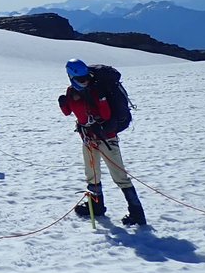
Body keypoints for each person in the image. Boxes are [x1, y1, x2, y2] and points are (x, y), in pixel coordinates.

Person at [58, 58, 147, 226]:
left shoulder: (96, 90)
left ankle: (137, 213)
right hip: (88, 139)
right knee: (92, 174)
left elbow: (106, 116)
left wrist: (102, 100)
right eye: (80, 80)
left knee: (120, 176)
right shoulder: (71, 92)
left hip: (106, 138)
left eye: (85, 78)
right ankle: (96, 206)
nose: (85, 82)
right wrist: (63, 103)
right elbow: (68, 112)